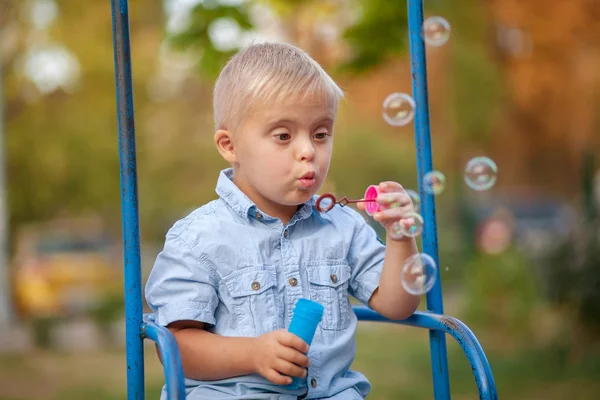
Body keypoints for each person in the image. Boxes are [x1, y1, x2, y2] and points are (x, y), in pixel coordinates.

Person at [145, 42, 420, 400]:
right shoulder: (198, 238)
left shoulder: (344, 227)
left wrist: (400, 236)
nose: (308, 150)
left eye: (321, 134)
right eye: (283, 136)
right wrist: (252, 353)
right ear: (230, 146)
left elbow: (398, 305)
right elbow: (175, 347)